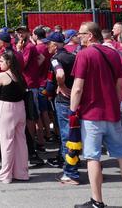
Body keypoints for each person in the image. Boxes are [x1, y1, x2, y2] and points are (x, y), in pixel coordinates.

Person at [70, 22, 122, 208]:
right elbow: (119, 84)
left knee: (92, 157)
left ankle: (97, 201)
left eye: (81, 33)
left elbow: (77, 87)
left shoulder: (84, 54)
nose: (79, 37)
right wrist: (115, 104)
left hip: (91, 113)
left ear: (90, 36)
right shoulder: (113, 53)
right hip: (112, 113)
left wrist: (72, 110)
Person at [47, 31, 81, 185]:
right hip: (76, 99)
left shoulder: (55, 58)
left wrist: (61, 85)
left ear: (54, 46)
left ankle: (70, 172)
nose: (47, 46)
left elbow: (59, 73)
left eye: (48, 43)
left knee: (67, 136)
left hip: (64, 100)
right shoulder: (73, 56)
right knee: (74, 134)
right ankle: (72, 163)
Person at [0, 50, 28, 184]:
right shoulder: (20, 75)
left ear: (9, 62)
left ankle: (6, 174)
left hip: (7, 108)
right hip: (20, 108)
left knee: (7, 142)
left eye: (1, 61)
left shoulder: (2, 75)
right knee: (20, 141)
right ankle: (22, 172)